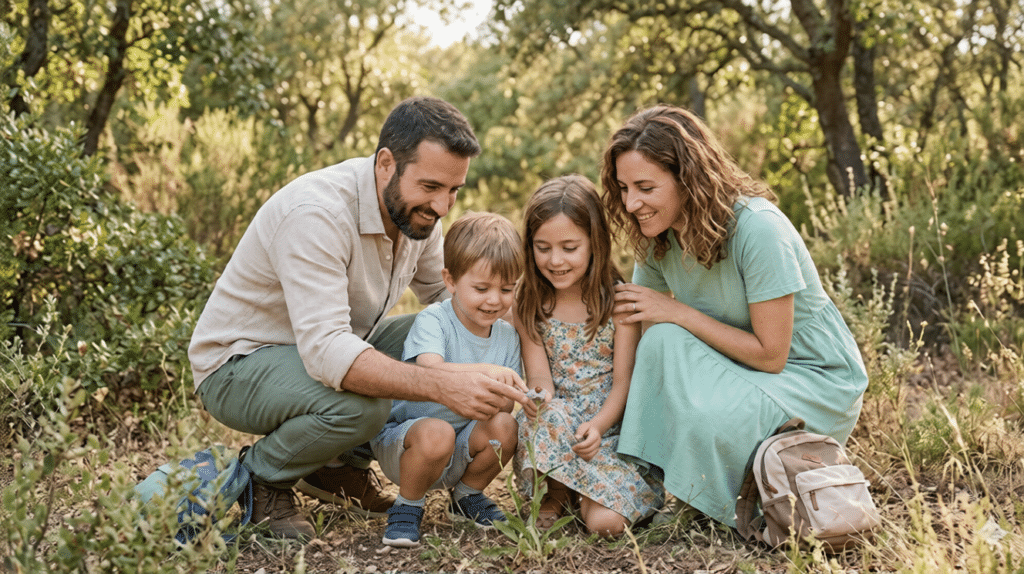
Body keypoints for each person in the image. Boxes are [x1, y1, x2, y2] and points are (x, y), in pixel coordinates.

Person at [188, 96, 529, 540]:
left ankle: (334, 469)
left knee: (442, 327)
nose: (443, 206)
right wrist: (443, 382)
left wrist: (555, 330)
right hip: (237, 367)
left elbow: (448, 298)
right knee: (361, 403)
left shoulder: (418, 216)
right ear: (386, 163)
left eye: (454, 191)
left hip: (314, 354)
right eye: (430, 187)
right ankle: (263, 479)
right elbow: (329, 353)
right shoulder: (317, 214)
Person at [599, 105, 869, 529]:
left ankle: (728, 505)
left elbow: (772, 355)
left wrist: (676, 312)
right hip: (737, 370)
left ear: (687, 179)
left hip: (812, 379)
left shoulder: (758, 229)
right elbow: (639, 330)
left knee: (678, 353)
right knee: (659, 341)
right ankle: (639, 483)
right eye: (624, 188)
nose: (632, 203)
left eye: (645, 187)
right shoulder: (656, 237)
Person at [512, 175, 666, 537]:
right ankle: (558, 490)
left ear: (594, 244)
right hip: (557, 426)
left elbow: (623, 383)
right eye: (543, 247)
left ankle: (586, 494)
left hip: (608, 430)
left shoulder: (619, 303)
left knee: (606, 525)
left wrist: (597, 427)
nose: (555, 260)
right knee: (547, 413)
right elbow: (540, 377)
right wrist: (539, 399)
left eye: (569, 247)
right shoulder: (529, 302)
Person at [370, 211, 528, 548]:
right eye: (482, 288)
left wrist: (512, 395)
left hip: (464, 445)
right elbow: (429, 368)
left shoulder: (507, 336)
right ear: (451, 281)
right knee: (437, 432)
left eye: (506, 289)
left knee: (505, 427)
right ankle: (408, 504)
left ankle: (467, 496)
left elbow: (505, 403)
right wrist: (487, 374)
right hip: (410, 444)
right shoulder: (435, 320)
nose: (494, 300)